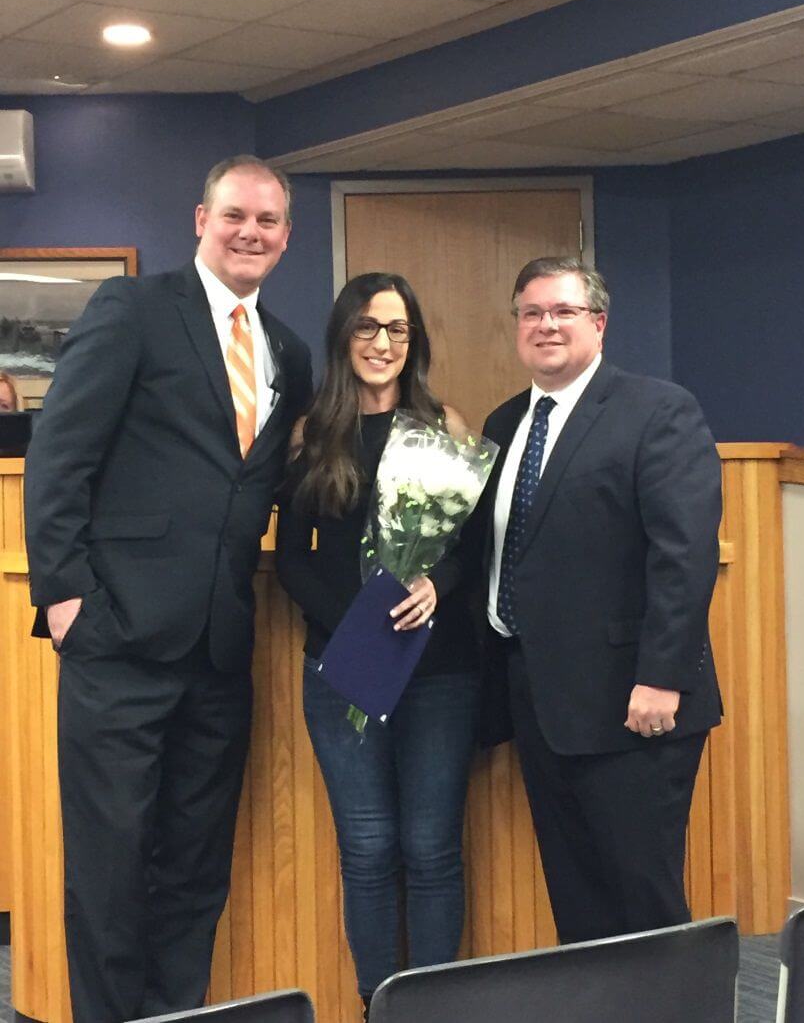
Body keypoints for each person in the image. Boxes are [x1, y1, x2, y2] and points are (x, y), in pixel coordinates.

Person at [24, 155, 312, 1023]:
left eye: (267, 221)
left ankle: (172, 1015)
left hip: (221, 650)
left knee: (194, 866)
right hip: (116, 640)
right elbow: (59, 460)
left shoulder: (289, 352)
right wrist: (69, 602)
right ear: (200, 219)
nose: (249, 232)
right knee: (111, 867)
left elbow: (278, 484)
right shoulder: (135, 310)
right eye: (235, 216)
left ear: (287, 236)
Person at [482, 256, 722, 944]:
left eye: (563, 311)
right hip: (541, 699)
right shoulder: (504, 425)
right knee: (577, 897)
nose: (546, 325)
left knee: (641, 898)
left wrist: (662, 677)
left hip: (635, 704)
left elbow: (683, 554)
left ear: (599, 324)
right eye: (531, 312)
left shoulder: (657, 409)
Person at [276, 272, 480, 1020]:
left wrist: (438, 585)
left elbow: (471, 545)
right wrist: (357, 627)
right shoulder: (310, 434)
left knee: (432, 849)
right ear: (343, 336)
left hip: (439, 671)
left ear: (414, 341)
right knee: (368, 848)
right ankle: (378, 1006)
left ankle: (431, 1008)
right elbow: (291, 558)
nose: (383, 343)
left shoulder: (444, 424)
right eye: (367, 327)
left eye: (397, 329)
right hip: (343, 668)